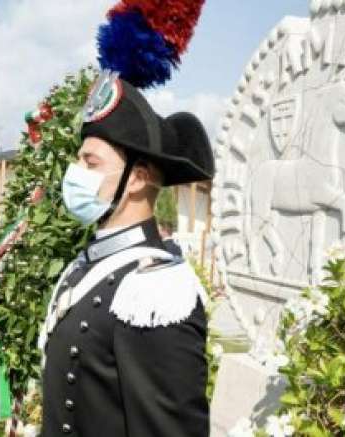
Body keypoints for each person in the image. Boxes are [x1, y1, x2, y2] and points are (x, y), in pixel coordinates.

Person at [39, 74, 215, 436]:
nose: (76, 173)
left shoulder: (156, 291)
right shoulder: (88, 265)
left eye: (91, 163)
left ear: (136, 179)